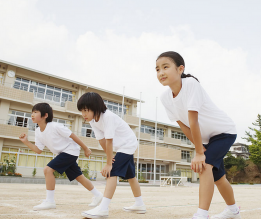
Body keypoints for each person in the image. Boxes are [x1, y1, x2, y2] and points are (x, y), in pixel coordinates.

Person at [156, 51, 241, 219]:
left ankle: (202, 214)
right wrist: (200, 146)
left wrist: (200, 153)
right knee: (219, 177)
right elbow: (184, 125)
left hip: (224, 131)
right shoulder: (165, 98)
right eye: (157, 69)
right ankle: (233, 210)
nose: (161, 73)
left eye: (165, 67)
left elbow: (193, 121)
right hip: (207, 138)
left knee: (205, 166)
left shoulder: (190, 84)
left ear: (180, 69)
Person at [19, 102, 103, 211]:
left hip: (70, 151)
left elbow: (72, 135)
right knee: (79, 176)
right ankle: (97, 195)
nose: (32, 115)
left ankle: (50, 201)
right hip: (63, 153)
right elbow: (38, 150)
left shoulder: (55, 126)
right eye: (32, 112)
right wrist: (26, 142)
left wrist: (86, 148)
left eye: (35, 112)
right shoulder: (38, 132)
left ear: (45, 115)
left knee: (47, 170)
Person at [78, 92, 146, 218]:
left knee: (111, 172)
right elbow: (102, 140)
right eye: (82, 111)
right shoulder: (93, 120)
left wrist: (109, 163)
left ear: (95, 107)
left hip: (128, 144)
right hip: (122, 147)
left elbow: (109, 140)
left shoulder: (107, 116)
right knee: (131, 176)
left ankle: (103, 208)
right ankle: (140, 204)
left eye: (86, 110)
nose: (83, 114)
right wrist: (111, 158)